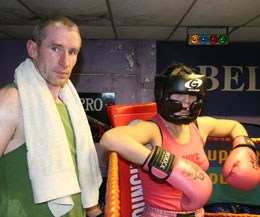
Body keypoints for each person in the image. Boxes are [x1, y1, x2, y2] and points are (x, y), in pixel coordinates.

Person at [100, 62, 260, 217]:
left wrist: (243, 148)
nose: (187, 101)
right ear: (163, 95)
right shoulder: (153, 129)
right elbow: (110, 138)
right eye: (180, 94)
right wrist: (167, 165)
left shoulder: (199, 126)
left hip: (198, 213)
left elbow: (234, 126)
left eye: (192, 95)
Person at [0, 16, 103, 217]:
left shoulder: (71, 106)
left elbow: (78, 172)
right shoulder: (11, 100)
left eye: (72, 52)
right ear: (33, 49)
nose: (65, 62)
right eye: (55, 48)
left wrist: (95, 212)